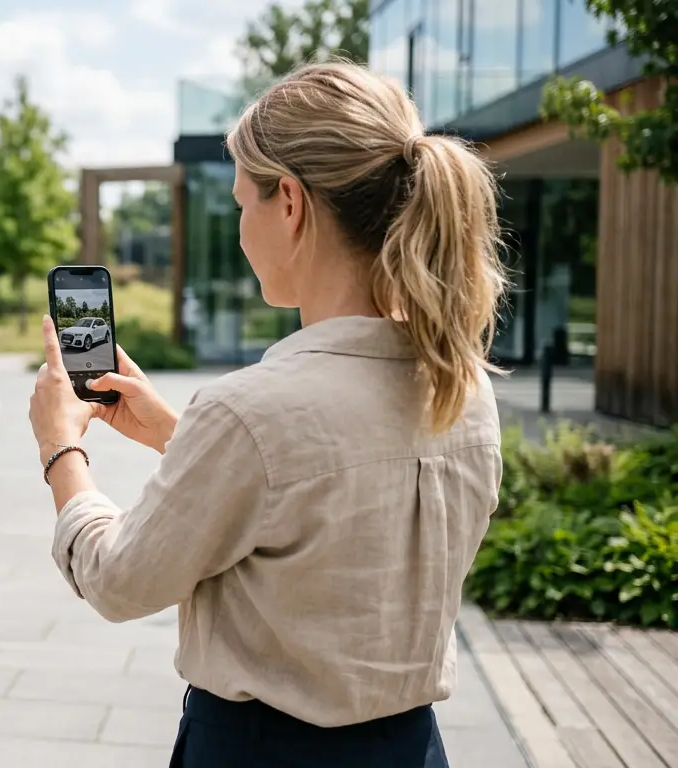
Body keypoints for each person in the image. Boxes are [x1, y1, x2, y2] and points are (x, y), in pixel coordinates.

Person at [27, 61, 506, 768]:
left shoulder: (251, 413)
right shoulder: (462, 385)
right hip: (413, 750)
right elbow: (319, 494)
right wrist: (177, 433)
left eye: (239, 201)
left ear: (289, 202)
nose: (240, 224)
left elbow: (121, 581)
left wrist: (61, 451)